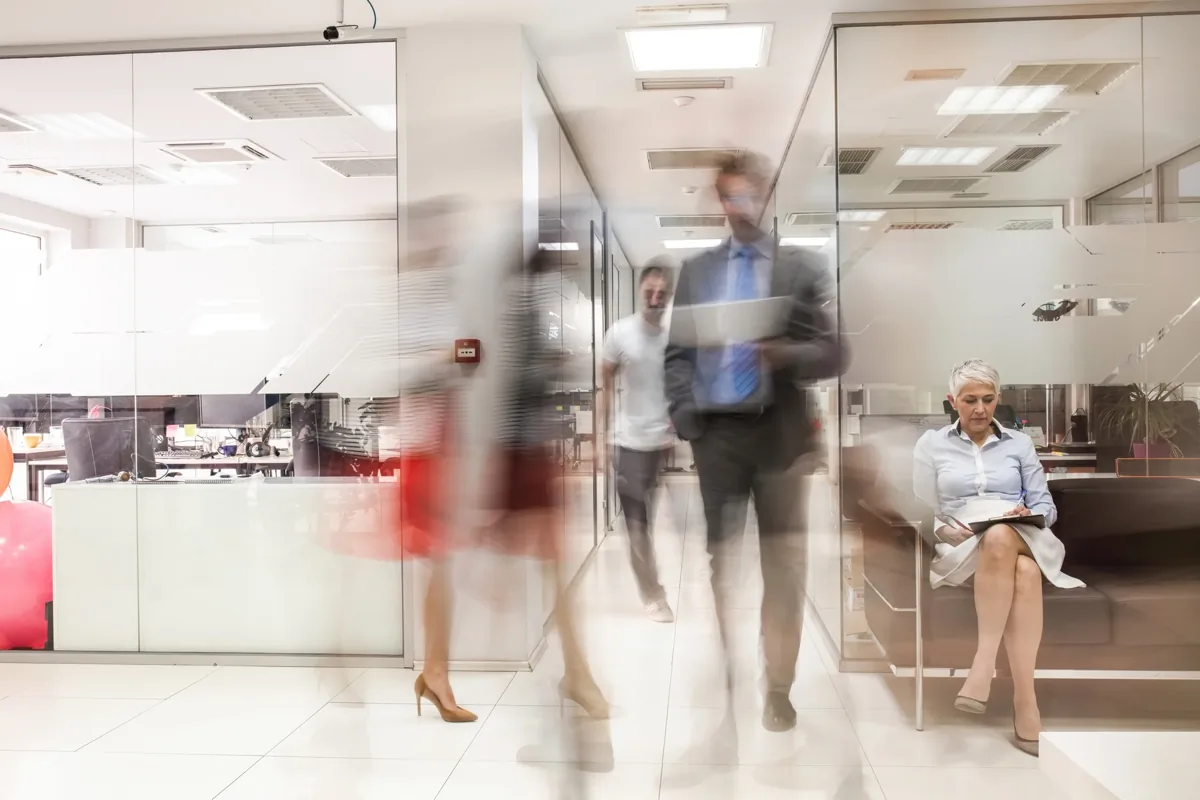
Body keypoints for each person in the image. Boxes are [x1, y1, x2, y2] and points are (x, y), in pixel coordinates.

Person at [664, 152, 845, 733]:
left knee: (783, 565)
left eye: (747, 196)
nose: (738, 207)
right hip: (716, 435)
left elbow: (835, 353)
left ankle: (779, 684)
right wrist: (687, 416)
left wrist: (780, 352)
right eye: (728, 197)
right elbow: (675, 356)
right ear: (719, 200)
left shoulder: (800, 268)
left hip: (780, 436)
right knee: (722, 562)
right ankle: (727, 665)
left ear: (764, 196)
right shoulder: (695, 273)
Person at [913, 359, 1085, 756]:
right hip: (964, 542)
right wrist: (944, 529)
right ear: (951, 401)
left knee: (1003, 536)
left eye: (988, 400)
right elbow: (921, 507)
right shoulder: (931, 445)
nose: (980, 409)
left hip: (1024, 532)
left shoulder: (1019, 444)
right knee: (1023, 574)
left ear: (998, 400)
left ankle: (982, 666)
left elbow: (1046, 505)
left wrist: (1023, 513)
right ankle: (1026, 701)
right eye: (970, 400)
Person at [491, 246, 609, 722]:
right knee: (544, 568)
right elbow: (517, 383)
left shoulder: (524, 309)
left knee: (549, 567)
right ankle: (576, 676)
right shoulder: (522, 307)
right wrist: (559, 362)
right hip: (519, 454)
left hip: (524, 453)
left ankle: (577, 674)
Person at [392, 198, 478, 723]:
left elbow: (466, 357)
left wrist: (464, 355)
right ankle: (435, 675)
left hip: (445, 438)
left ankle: (435, 671)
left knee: (442, 565)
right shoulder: (407, 300)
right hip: (424, 443)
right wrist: (452, 356)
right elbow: (398, 370)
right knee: (438, 561)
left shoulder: (445, 295)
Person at [598, 259, 675, 623]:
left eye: (662, 293)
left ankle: (651, 587)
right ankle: (652, 594)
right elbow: (606, 387)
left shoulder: (674, 337)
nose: (655, 298)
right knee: (637, 525)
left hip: (659, 444)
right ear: (640, 292)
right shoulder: (620, 333)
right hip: (626, 443)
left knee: (650, 518)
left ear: (668, 296)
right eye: (649, 292)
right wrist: (600, 439)